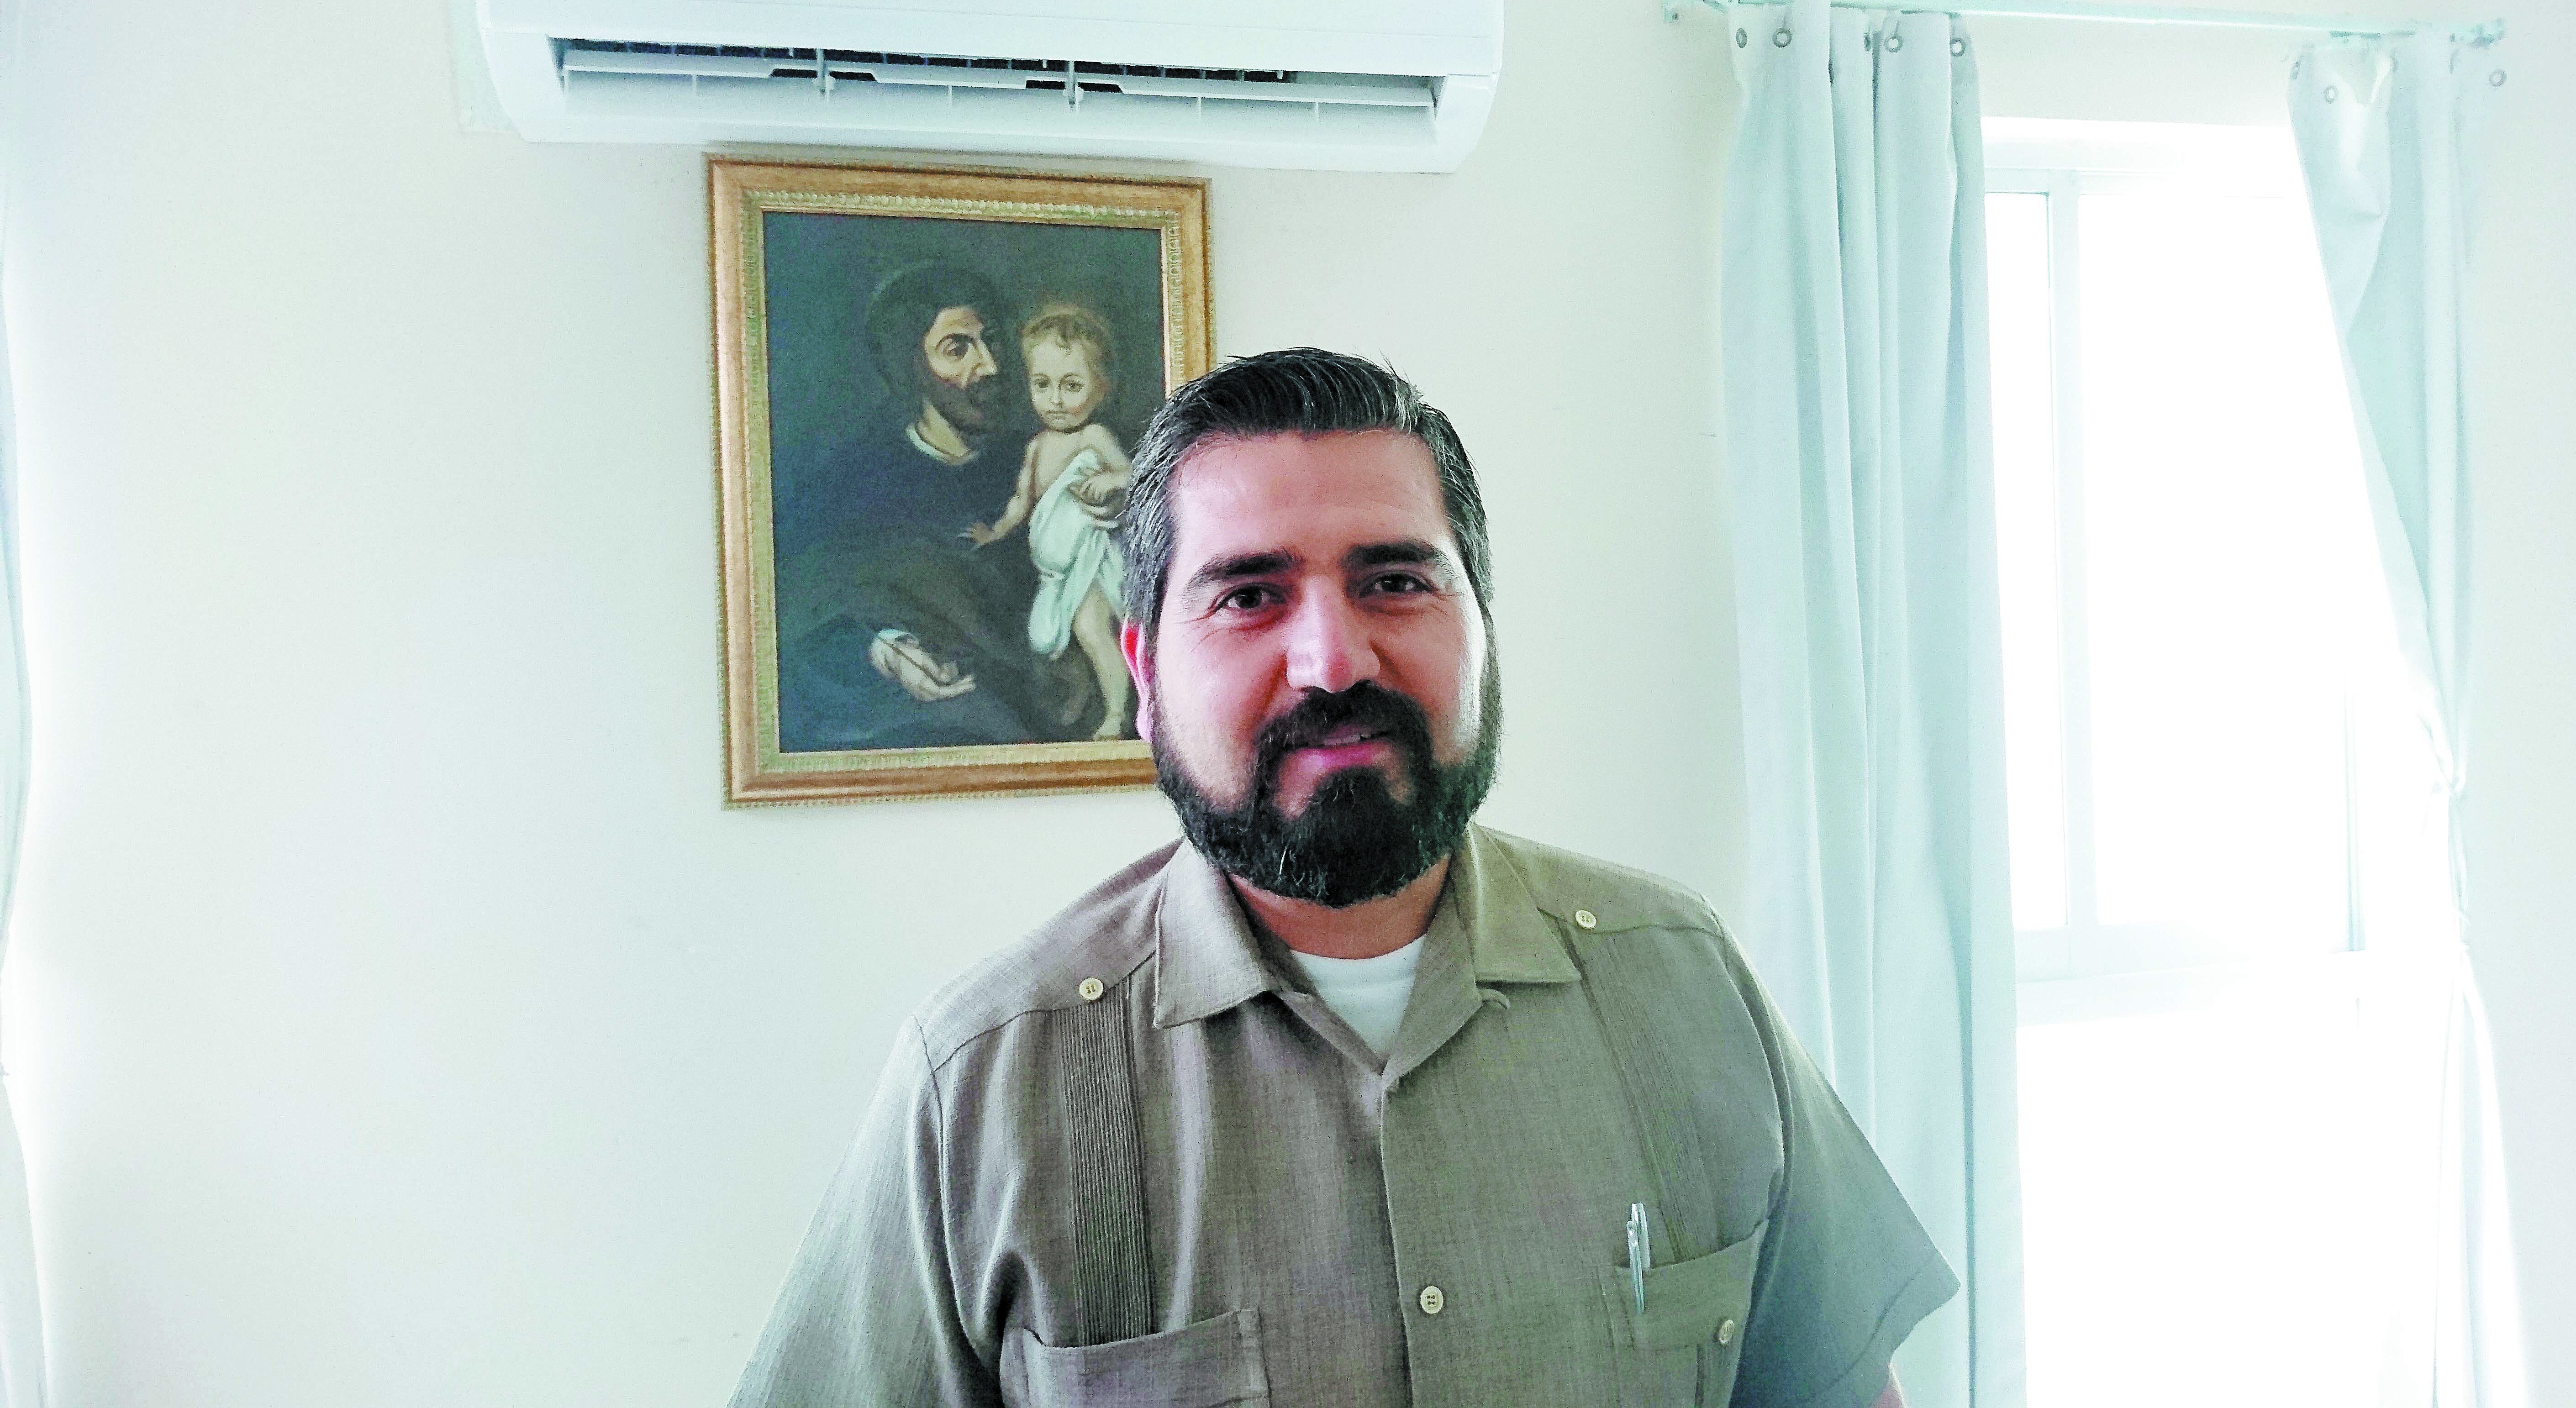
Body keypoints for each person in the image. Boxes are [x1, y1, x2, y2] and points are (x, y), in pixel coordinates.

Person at [732, 349, 1954, 1408]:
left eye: (1394, 581)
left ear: (1482, 627)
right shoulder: (984, 1082)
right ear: (1143, 673)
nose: (1331, 658)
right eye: (1249, 594)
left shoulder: (1685, 981)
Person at [772, 263, 1094, 749]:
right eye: (957, 349)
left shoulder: (1038, 461)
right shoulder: (852, 479)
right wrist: (887, 651)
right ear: (913, 367)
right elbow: (800, 617)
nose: (990, 366)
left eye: (991, 341)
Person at [965, 303, 1136, 740]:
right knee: (1047, 642)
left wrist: (1110, 480)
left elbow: (1135, 476)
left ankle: (1117, 714)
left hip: (1093, 559)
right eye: (1042, 385)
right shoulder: (1038, 446)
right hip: (1053, 573)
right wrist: (997, 531)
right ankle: (1083, 699)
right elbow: (1022, 502)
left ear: (1101, 388)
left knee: (1091, 627)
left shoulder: (1093, 437)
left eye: (1071, 385)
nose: (1055, 400)